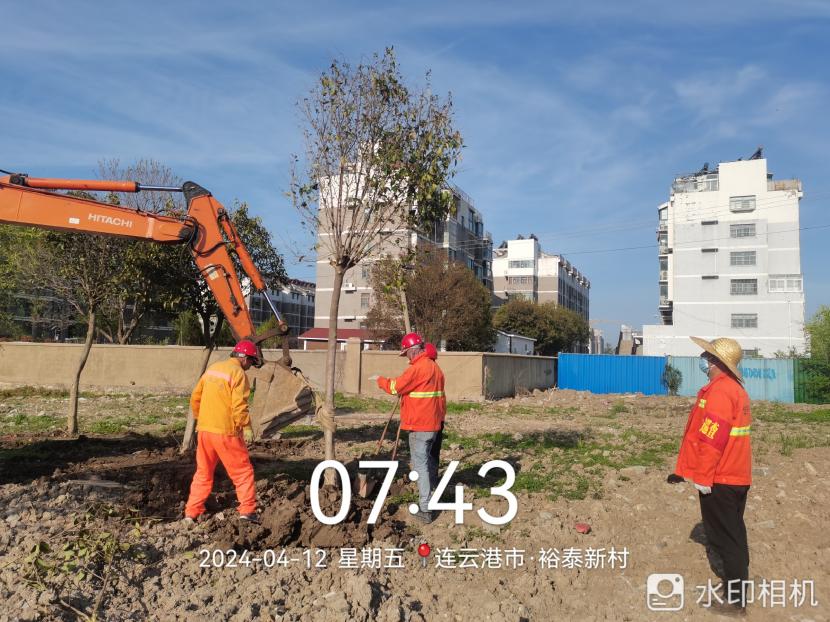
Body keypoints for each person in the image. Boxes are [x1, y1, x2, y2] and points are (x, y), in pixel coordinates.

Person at [669, 337, 752, 615]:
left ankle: (736, 601)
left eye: (707, 355)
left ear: (716, 362)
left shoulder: (720, 392)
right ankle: (733, 587)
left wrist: (703, 476)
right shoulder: (733, 389)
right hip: (735, 474)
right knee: (733, 534)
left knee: (726, 539)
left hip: (721, 477)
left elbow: (711, 439)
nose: (703, 359)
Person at [184, 339, 259, 524]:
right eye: (251, 361)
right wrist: (246, 427)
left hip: (204, 432)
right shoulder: (238, 374)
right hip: (226, 432)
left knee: (203, 473)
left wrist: (202, 418)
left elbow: (195, 397)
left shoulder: (213, 368)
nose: (250, 366)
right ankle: (247, 512)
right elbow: (239, 406)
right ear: (245, 358)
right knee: (243, 472)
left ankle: (191, 513)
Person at [377, 333, 446, 523]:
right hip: (434, 424)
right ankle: (432, 494)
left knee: (420, 465)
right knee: (429, 461)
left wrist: (380, 380)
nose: (406, 357)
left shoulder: (418, 368)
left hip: (419, 425)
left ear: (412, 350)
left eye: (406, 353)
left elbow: (395, 387)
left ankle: (426, 509)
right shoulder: (435, 368)